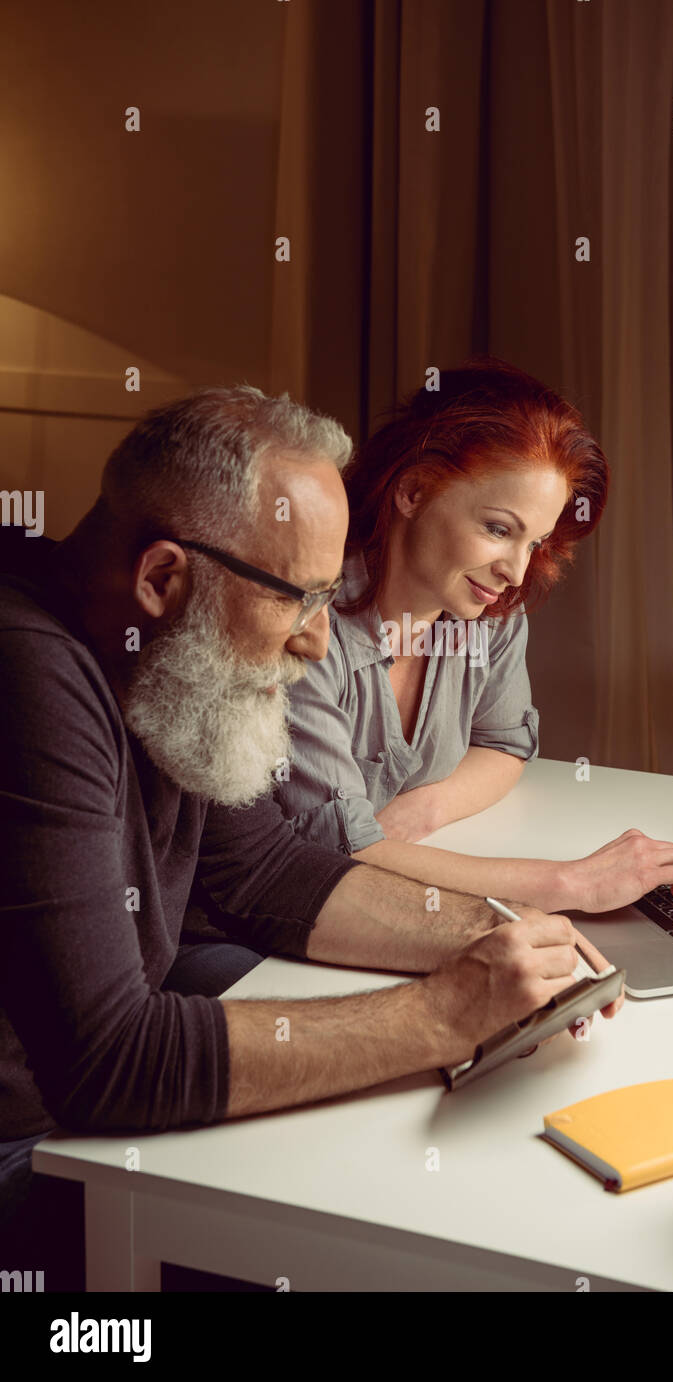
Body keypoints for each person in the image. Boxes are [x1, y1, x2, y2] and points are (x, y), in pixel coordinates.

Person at [0, 385, 626, 1286]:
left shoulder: (167, 656)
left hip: (86, 1115)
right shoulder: (31, 676)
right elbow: (110, 1063)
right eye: (299, 599)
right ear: (163, 576)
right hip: (29, 1143)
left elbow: (259, 874)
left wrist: (490, 934)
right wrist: (446, 1012)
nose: (315, 643)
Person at [275, 358, 673, 912]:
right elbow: (337, 851)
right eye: (499, 529)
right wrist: (570, 884)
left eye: (534, 543)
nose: (516, 573)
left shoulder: (489, 611)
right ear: (413, 492)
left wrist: (423, 810)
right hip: (267, 933)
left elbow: (504, 745)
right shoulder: (308, 624)